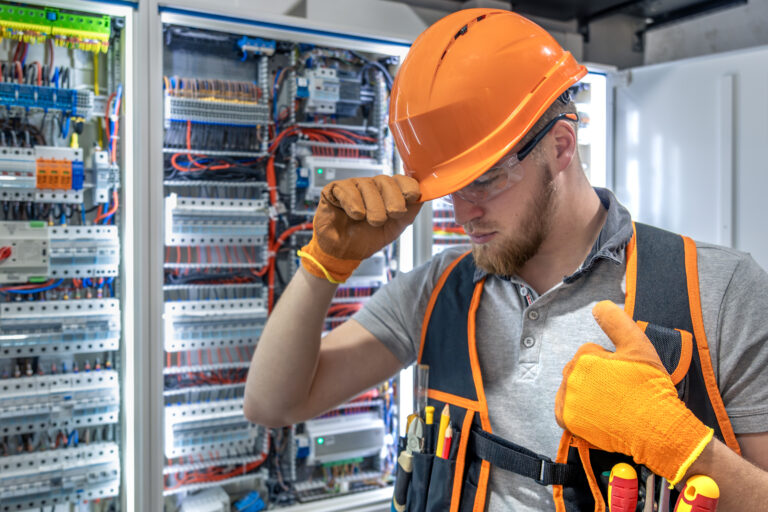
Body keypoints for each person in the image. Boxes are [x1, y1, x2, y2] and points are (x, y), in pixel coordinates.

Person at [244, 8, 768, 511]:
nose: (462, 214)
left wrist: (680, 447)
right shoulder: (439, 290)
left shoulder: (717, 291)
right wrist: (323, 267)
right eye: (449, 190)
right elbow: (273, 403)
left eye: (485, 180)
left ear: (561, 145)